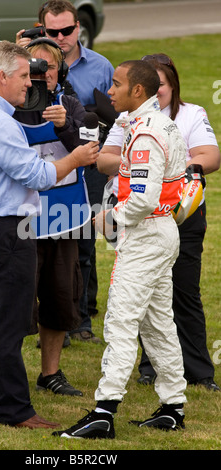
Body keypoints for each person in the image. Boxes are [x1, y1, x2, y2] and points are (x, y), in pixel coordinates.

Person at [0, 40, 98, 429]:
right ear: (1, 76)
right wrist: (77, 158)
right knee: (8, 323)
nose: (28, 85)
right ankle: (16, 410)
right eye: (22, 76)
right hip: (6, 230)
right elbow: (36, 175)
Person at [53, 60, 187, 439]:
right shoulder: (147, 123)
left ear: (138, 91)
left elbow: (143, 200)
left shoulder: (146, 133)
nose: (109, 91)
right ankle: (173, 407)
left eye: (116, 84)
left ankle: (103, 412)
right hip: (158, 234)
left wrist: (108, 219)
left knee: (120, 322)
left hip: (146, 235)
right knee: (157, 323)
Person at [16, 0, 114, 343]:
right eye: (52, 32)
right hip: (31, 197)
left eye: (67, 30)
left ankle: (78, 319)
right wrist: (17, 55)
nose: (60, 37)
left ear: (79, 27)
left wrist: (67, 125)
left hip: (81, 173)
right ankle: (39, 323)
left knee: (79, 249)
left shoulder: (99, 67)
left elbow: (106, 123)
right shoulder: (19, 79)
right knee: (34, 260)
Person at [135, 53, 220, 391]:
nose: (157, 93)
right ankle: (149, 367)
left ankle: (199, 371)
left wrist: (181, 167)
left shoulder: (191, 114)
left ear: (174, 85)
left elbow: (211, 156)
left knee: (185, 291)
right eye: (150, 86)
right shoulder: (129, 118)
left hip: (184, 215)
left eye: (163, 86)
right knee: (147, 293)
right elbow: (107, 159)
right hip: (143, 217)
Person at [13, 37, 90, 396]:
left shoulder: (70, 105)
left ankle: (50, 373)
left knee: (60, 296)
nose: (42, 75)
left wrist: (65, 127)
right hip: (20, 216)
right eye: (35, 67)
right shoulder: (8, 106)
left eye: (50, 67)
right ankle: (9, 371)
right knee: (16, 299)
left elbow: (91, 153)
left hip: (63, 215)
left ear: (60, 72)